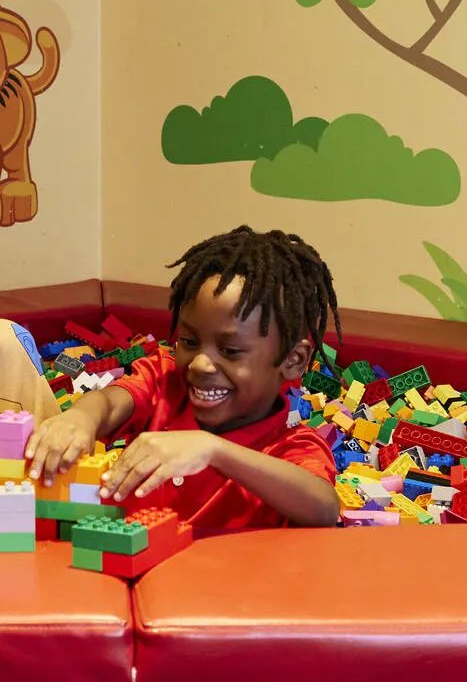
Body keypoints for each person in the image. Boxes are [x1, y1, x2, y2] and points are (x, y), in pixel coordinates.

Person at [24, 227, 341, 530]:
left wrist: (212, 449)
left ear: (293, 360)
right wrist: (81, 417)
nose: (201, 364)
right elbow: (108, 402)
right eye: (189, 342)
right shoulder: (165, 384)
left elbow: (324, 507)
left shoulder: (291, 448)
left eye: (230, 350)